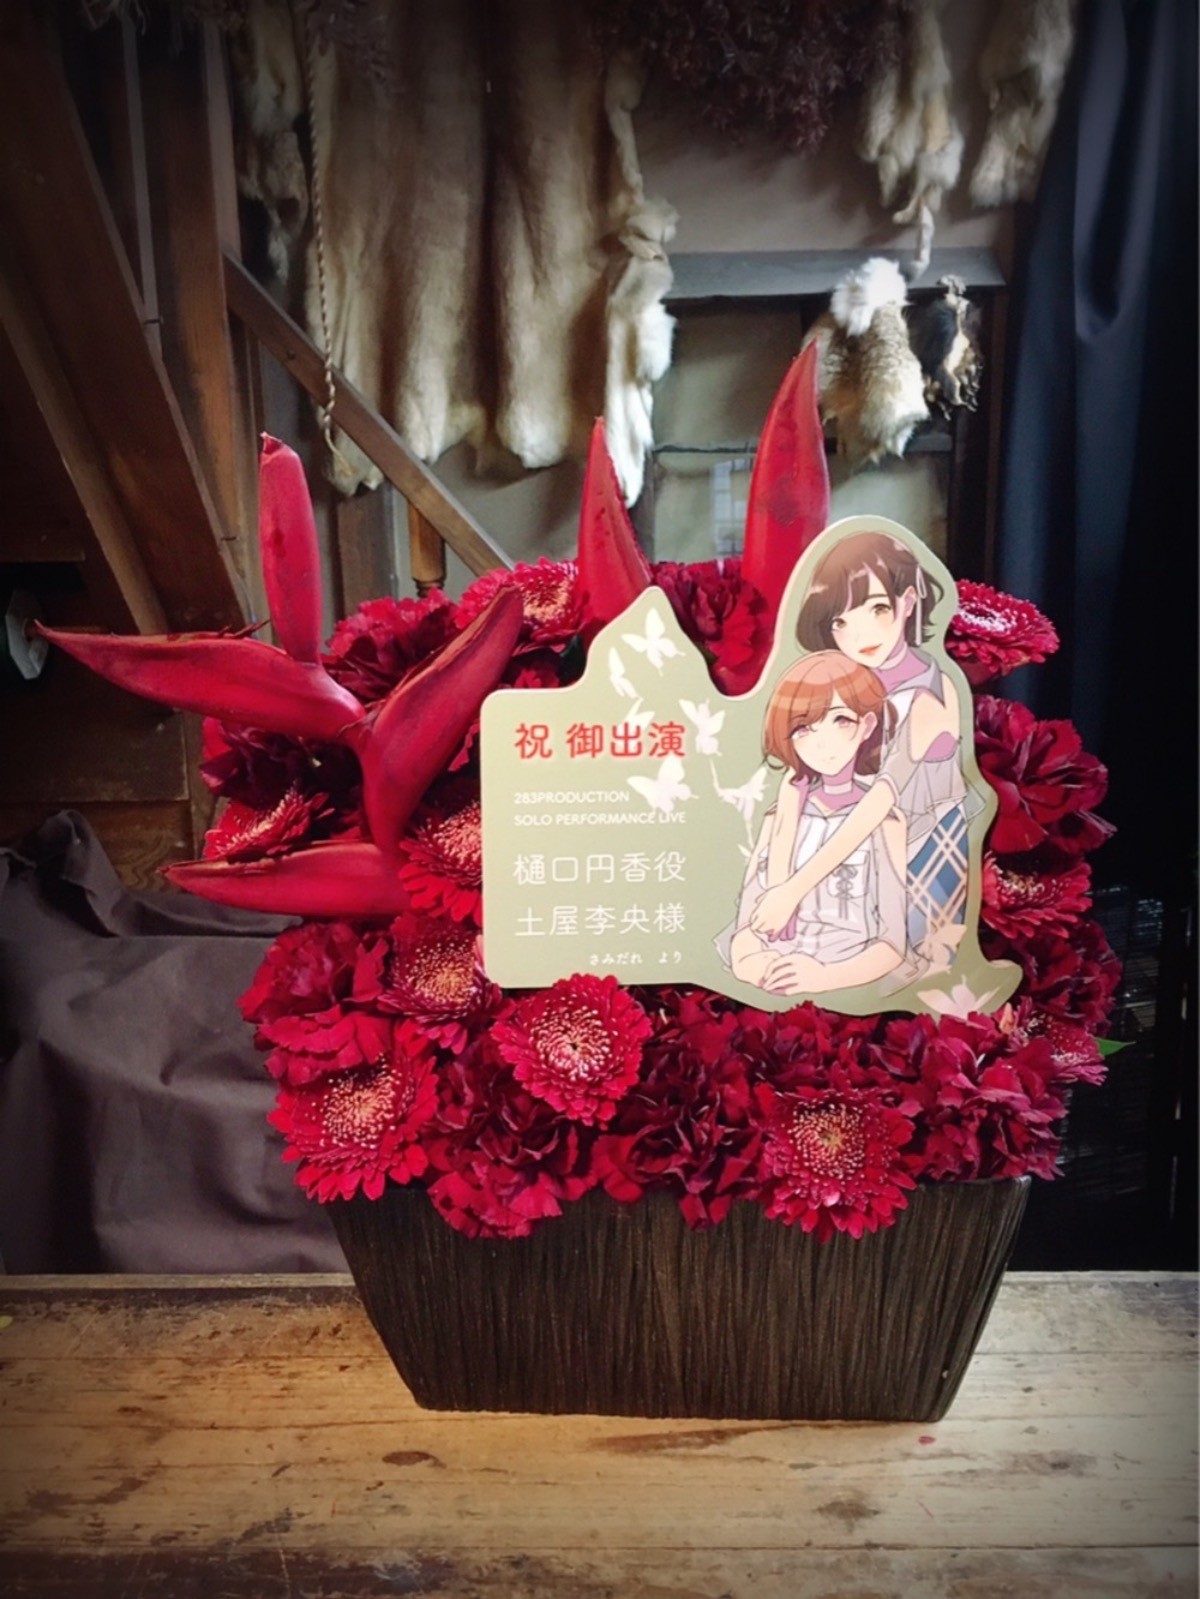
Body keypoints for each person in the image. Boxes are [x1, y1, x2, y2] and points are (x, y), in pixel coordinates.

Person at [748, 530, 974, 967]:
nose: (860, 633)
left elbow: (879, 804)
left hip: (919, 856)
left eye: (877, 608)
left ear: (907, 602)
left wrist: (793, 890)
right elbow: (796, 783)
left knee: (904, 969)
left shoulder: (928, 693)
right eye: (840, 621)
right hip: (844, 856)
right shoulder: (842, 682)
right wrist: (780, 886)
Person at [724, 652, 911, 997]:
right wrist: (752, 964)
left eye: (841, 720)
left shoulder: (885, 822)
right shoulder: (778, 818)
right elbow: (747, 928)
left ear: (867, 726)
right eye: (803, 728)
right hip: (773, 981)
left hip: (847, 985)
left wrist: (826, 977)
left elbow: (892, 945)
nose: (822, 740)